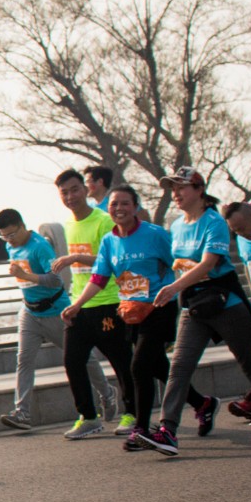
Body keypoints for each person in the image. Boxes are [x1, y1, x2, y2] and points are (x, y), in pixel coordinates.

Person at [136, 169, 251, 455]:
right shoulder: (177, 225)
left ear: (199, 189)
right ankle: (167, 431)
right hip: (193, 305)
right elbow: (178, 263)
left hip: (224, 303)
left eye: (181, 188)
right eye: (172, 189)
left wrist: (173, 287)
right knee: (179, 367)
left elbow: (208, 264)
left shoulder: (214, 222)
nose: (175, 194)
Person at [60, 186, 185, 446]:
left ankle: (140, 428)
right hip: (131, 311)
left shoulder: (154, 234)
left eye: (125, 203)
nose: (119, 209)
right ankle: (202, 403)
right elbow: (99, 277)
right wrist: (77, 305)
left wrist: (175, 288)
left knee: (138, 366)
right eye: (114, 204)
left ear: (136, 206)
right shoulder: (110, 241)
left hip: (159, 307)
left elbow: (179, 262)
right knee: (156, 365)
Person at [0, 208, 115, 431]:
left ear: (22, 226)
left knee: (83, 358)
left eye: (12, 234)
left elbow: (55, 281)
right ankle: (22, 412)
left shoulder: (39, 247)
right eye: (4, 236)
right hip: (29, 311)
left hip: (54, 311)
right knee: (24, 360)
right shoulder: (10, 246)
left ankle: (107, 394)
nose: (9, 240)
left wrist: (25, 275)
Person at [50, 170, 138, 438]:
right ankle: (89, 417)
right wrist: (74, 300)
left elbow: (113, 259)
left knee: (121, 361)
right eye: (64, 192)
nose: (70, 196)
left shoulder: (103, 220)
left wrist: (74, 257)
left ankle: (132, 413)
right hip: (80, 304)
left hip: (108, 302)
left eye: (75, 189)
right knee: (72, 361)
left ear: (85, 190)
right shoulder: (69, 224)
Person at [221, 200, 251, 425]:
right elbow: (247, 269)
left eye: (243, 228)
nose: (241, 234)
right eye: (235, 231)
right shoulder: (242, 241)